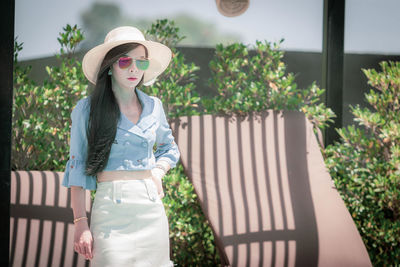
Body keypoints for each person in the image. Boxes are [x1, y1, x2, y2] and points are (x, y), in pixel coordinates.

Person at [61, 26, 180, 267]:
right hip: (110, 212)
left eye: (141, 62)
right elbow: (78, 167)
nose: (134, 68)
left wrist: (158, 171)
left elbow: (169, 148)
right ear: (110, 67)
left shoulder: (154, 106)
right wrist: (81, 222)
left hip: (151, 209)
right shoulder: (86, 110)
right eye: (125, 61)